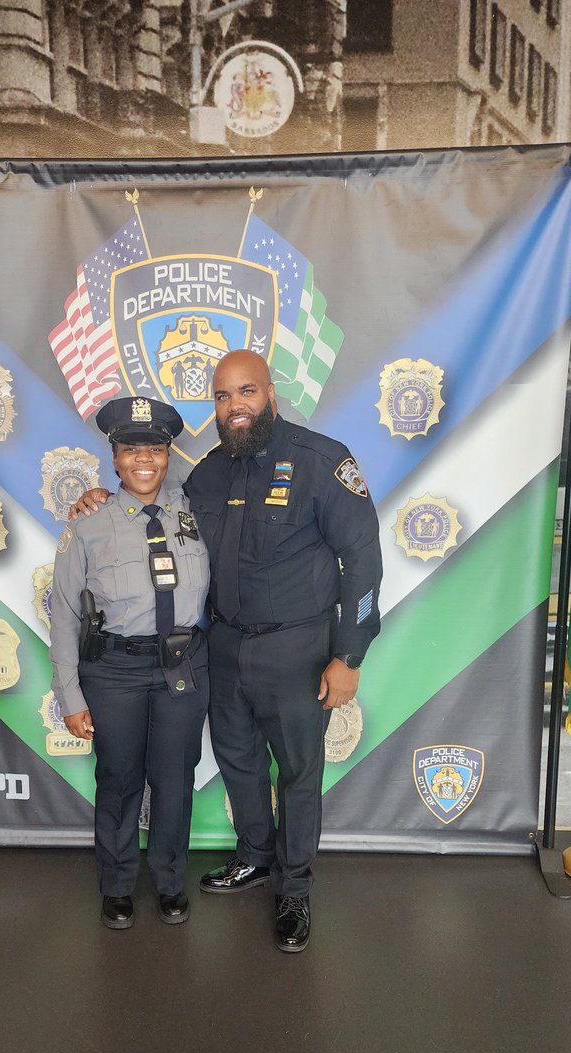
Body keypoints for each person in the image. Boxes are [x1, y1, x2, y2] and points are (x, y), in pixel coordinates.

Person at [71, 351, 382, 952]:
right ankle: (256, 858)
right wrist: (96, 499)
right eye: (221, 397)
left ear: (271, 392)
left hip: (299, 650)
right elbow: (149, 511)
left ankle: (293, 888)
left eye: (245, 392)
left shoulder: (323, 462)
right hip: (225, 649)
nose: (234, 406)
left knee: (296, 773)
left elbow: (363, 562)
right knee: (239, 761)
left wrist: (350, 653)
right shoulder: (210, 474)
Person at [49, 396, 210, 931]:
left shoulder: (196, 508)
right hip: (115, 670)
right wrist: (70, 696)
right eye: (131, 449)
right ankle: (117, 885)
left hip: (181, 668)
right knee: (118, 779)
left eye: (156, 449)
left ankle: (169, 882)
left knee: (174, 779)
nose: (145, 459)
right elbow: (66, 614)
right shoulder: (88, 524)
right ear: (114, 458)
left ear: (169, 455)